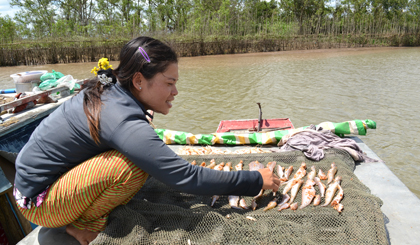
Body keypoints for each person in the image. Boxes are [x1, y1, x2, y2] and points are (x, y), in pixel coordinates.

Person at [13, 36, 280, 245]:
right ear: (139, 80)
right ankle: (82, 224)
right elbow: (183, 177)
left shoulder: (112, 91)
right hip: (39, 203)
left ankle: (76, 215)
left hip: (40, 184)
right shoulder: (120, 118)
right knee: (133, 166)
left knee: (141, 156)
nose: (175, 92)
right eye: (169, 83)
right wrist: (255, 180)